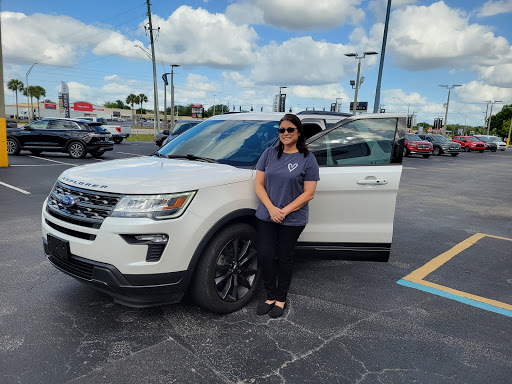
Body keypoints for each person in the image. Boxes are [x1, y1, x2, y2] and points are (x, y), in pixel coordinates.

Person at [254, 113, 320, 318]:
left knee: (285, 257)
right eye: (282, 130)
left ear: (299, 132)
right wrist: (272, 209)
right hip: (267, 215)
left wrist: (284, 211)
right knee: (265, 255)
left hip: (292, 219)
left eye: (290, 129)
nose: (285, 133)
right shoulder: (269, 153)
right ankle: (270, 295)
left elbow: (309, 193)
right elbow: (259, 184)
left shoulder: (308, 159)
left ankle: (281, 299)